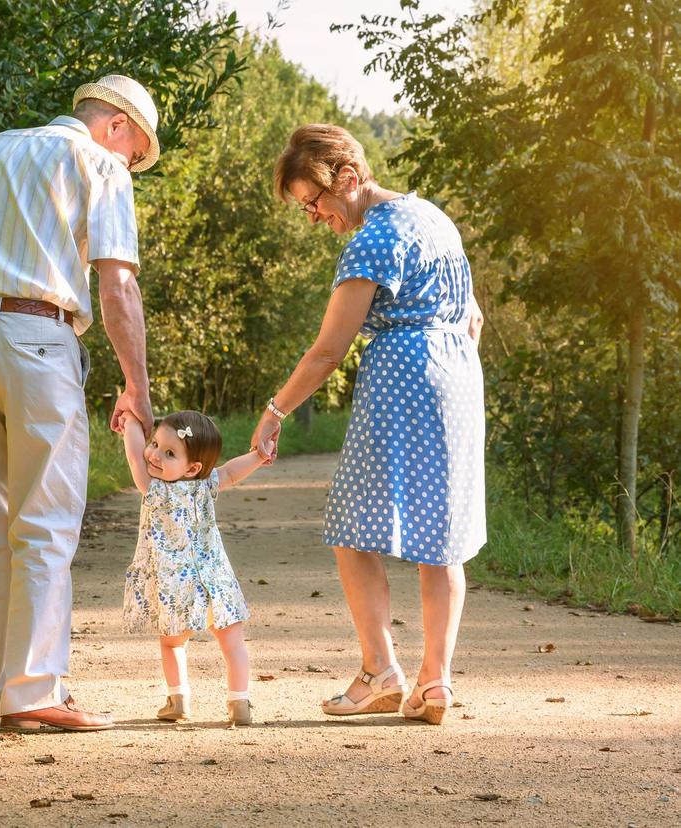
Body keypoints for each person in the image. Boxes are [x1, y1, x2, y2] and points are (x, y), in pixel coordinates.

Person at [0, 75, 160, 732]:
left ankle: (4, 688)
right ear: (115, 128)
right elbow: (117, 286)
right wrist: (136, 387)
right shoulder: (99, 163)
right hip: (36, 336)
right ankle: (34, 691)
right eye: (135, 151)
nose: (131, 163)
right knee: (45, 523)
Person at [251, 124, 486, 725]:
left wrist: (275, 412)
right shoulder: (432, 217)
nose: (313, 216)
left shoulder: (371, 241)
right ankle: (436, 683)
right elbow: (474, 317)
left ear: (349, 178)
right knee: (443, 535)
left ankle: (379, 670)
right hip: (458, 377)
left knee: (352, 527)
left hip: (401, 379)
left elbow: (329, 350)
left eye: (315, 201)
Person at [120, 410, 273, 726]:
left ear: (192, 468)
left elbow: (135, 459)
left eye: (170, 453)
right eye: (155, 444)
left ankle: (178, 699)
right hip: (215, 577)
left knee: (172, 642)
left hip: (176, 585)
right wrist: (259, 455)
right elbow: (230, 472)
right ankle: (239, 702)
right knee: (232, 640)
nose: (155, 455)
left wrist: (131, 423)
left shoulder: (155, 489)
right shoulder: (205, 484)